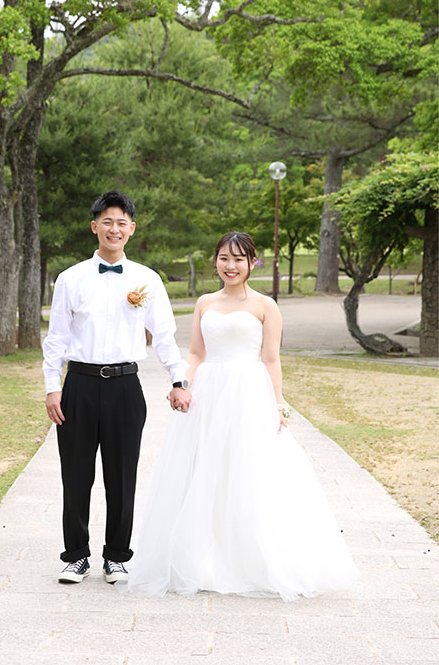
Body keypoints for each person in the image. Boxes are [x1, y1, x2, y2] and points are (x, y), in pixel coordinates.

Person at [120, 231, 359, 600]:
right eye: (223, 258)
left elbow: (271, 359)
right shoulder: (204, 302)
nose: (230, 266)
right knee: (203, 471)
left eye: (238, 259)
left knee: (248, 470)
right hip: (208, 395)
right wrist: (182, 383)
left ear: (252, 263)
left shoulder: (266, 306)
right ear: (215, 261)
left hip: (249, 392)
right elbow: (197, 353)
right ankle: (200, 558)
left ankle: (252, 560)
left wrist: (277, 405)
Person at [42, 190, 190, 585]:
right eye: (107, 221)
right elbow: (56, 338)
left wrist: (179, 379)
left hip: (126, 386)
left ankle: (117, 556)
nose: (114, 228)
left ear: (132, 229)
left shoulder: (147, 279)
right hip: (80, 385)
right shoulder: (70, 279)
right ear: (95, 227)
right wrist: (52, 387)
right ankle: (75, 556)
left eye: (122, 222)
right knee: (75, 475)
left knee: (122, 475)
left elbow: (164, 335)